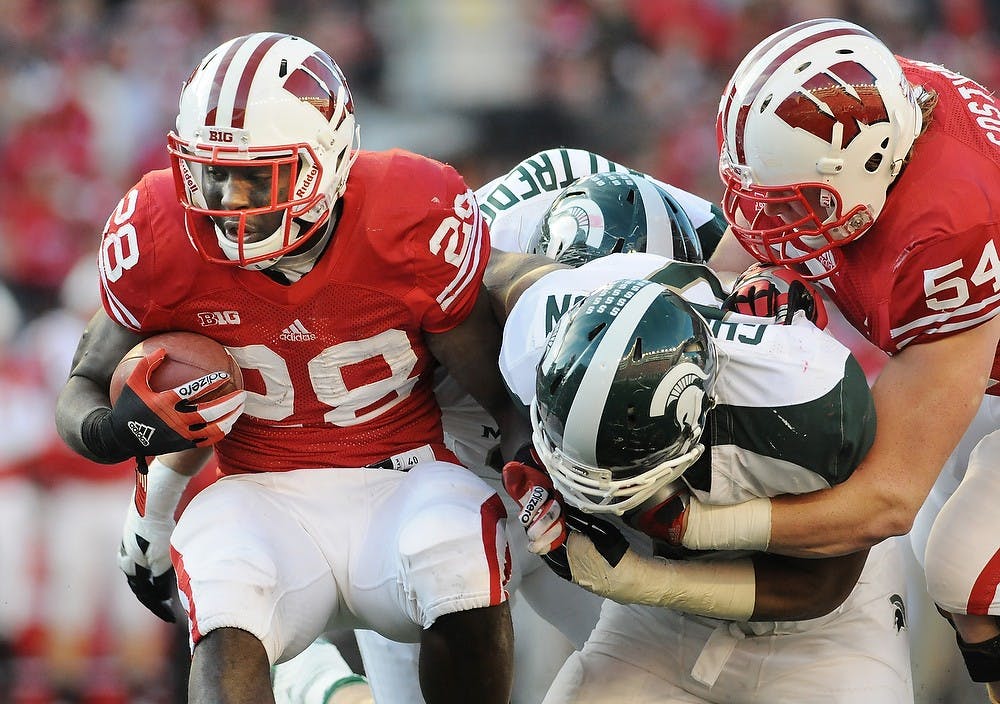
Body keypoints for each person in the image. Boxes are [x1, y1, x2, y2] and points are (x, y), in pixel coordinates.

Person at [54, 32, 526, 704]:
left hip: (406, 480)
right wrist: (114, 434)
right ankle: (310, 680)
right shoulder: (159, 229)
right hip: (261, 490)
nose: (225, 201)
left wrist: (537, 481)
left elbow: (498, 400)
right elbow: (80, 386)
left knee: (453, 548)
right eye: (210, 173)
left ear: (326, 163)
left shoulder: (409, 211)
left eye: (253, 175)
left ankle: (319, 683)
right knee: (224, 582)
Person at [672, 16, 1000, 700]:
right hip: (971, 363)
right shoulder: (866, 107)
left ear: (874, 162)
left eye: (794, 204)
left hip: (972, 353)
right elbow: (736, 256)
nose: (760, 223)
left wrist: (700, 526)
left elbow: (886, 499)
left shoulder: (953, 232)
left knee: (968, 568)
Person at [352, 147, 719, 704]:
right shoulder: (443, 257)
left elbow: (744, 252)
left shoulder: (661, 214)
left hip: (571, 477)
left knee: (680, 676)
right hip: (437, 477)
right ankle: (320, 685)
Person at [491, 250, 912, 702]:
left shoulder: (808, 405)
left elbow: (821, 585)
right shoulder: (537, 330)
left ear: (692, 412)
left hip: (825, 632)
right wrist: (528, 452)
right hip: (659, 624)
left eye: (623, 469)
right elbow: (501, 277)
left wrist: (644, 575)